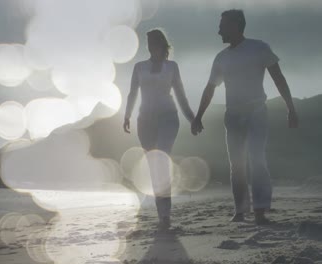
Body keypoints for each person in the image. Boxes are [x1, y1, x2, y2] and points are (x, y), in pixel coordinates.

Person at [191, 9, 299, 225]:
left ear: (236, 25)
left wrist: (291, 108)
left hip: (256, 112)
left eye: (222, 26)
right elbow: (210, 88)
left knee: (257, 159)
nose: (219, 30)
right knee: (237, 164)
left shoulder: (259, 48)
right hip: (232, 115)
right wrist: (198, 116)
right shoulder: (221, 58)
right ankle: (240, 211)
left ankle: (259, 211)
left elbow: (278, 77)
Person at [123, 29, 195, 230]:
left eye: (153, 42)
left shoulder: (172, 67)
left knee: (161, 161)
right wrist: (127, 115)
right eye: (148, 43)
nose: (150, 47)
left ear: (162, 44)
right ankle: (162, 213)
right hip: (145, 121)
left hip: (168, 118)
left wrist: (192, 118)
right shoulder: (139, 67)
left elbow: (181, 95)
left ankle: (165, 215)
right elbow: (132, 93)